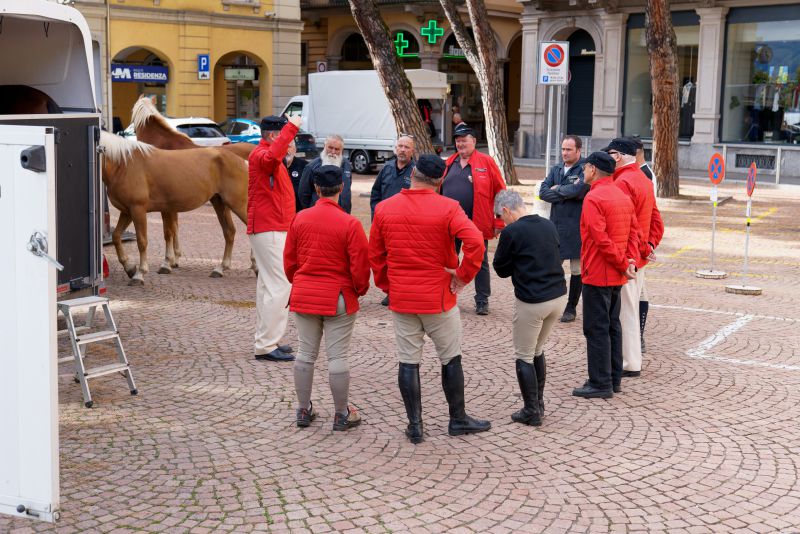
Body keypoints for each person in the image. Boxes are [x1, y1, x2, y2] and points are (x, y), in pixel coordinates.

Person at [369, 154, 491, 444]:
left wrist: (388, 285)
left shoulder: (385, 209)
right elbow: (475, 243)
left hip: (403, 296)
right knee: (450, 357)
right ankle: (457, 419)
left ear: (413, 173)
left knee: (408, 361)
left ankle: (415, 424)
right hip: (438, 296)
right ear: (440, 181)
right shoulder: (448, 208)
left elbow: (375, 255)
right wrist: (462, 276)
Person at [284, 165, 370, 431]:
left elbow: (290, 262)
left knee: (305, 353)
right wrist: (359, 289)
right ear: (342, 189)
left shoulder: (300, 218)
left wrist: (300, 281)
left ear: (316, 188)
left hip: (306, 293)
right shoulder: (351, 223)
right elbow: (360, 267)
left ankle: (303, 409)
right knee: (337, 357)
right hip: (339, 296)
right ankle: (342, 413)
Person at [492, 190, 567, 426]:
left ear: (506, 210)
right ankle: (539, 403)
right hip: (558, 296)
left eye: (500, 217)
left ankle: (531, 410)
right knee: (537, 350)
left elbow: (501, 269)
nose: (501, 222)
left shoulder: (512, 232)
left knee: (524, 355)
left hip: (533, 301)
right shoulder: (547, 224)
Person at [572, 152, 639, 399]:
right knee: (613, 325)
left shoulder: (594, 198)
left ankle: (600, 382)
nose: (582, 171)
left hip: (598, 272)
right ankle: (613, 378)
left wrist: (623, 262)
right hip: (615, 274)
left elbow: (600, 239)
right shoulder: (621, 194)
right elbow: (635, 232)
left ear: (593, 169)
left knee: (596, 328)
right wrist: (629, 260)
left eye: (585, 167)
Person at [604, 138, 664, 376]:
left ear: (618, 156)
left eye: (610, 154)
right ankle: (630, 360)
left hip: (628, 258)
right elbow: (656, 220)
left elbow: (627, 224)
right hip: (638, 256)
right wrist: (648, 245)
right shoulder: (643, 179)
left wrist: (630, 255)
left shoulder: (622, 182)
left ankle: (629, 363)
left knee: (624, 312)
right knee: (628, 308)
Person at [248, 114, 302, 362]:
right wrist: (291, 128)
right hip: (270, 228)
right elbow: (271, 158)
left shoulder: (264, 155)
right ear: (273, 136)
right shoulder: (262, 155)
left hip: (271, 226)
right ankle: (267, 344)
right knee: (279, 285)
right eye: (283, 136)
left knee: (268, 287)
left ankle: (267, 341)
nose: (289, 141)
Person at [443, 124, 507, 315]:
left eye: (464, 140)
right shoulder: (448, 163)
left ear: (474, 141)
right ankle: (447, 295)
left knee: (480, 262)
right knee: (449, 259)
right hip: (449, 224)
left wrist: (499, 221)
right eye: (457, 140)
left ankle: (482, 300)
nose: (460, 144)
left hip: (475, 224)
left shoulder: (486, 162)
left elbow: (501, 192)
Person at [539, 134, 589, 323]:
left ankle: (571, 308)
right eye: (562, 149)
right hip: (556, 228)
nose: (564, 153)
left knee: (576, 271)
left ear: (578, 150)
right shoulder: (556, 168)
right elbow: (543, 192)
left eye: (568, 149)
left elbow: (579, 190)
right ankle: (551, 305)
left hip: (576, 228)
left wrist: (557, 190)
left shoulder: (585, 169)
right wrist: (564, 192)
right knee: (552, 268)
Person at [370, 134, 416, 307]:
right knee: (385, 259)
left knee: (403, 260)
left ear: (412, 150)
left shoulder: (416, 172)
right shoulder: (387, 168)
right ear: (396, 148)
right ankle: (390, 291)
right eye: (400, 146)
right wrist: (376, 215)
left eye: (406, 147)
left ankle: (404, 291)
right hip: (385, 224)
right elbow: (375, 194)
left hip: (406, 226)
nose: (403, 150)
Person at [626, 136, 657, 353]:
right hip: (642, 244)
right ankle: (638, 336)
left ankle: (638, 336)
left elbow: (645, 214)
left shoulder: (643, 175)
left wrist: (647, 244)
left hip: (639, 245)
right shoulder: (641, 174)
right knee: (641, 292)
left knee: (639, 294)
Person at [298, 134, 352, 213]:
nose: (333, 152)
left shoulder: (346, 165)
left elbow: (347, 187)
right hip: (318, 215)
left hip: (342, 215)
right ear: (324, 146)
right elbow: (303, 194)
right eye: (330, 148)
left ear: (342, 150)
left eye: (337, 149)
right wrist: (311, 210)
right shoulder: (311, 167)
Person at [284, 139, 308, 213]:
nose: (286, 150)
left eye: (289, 147)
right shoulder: (275, 166)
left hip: (299, 213)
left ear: (295, 149)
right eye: (283, 147)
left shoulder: (305, 166)